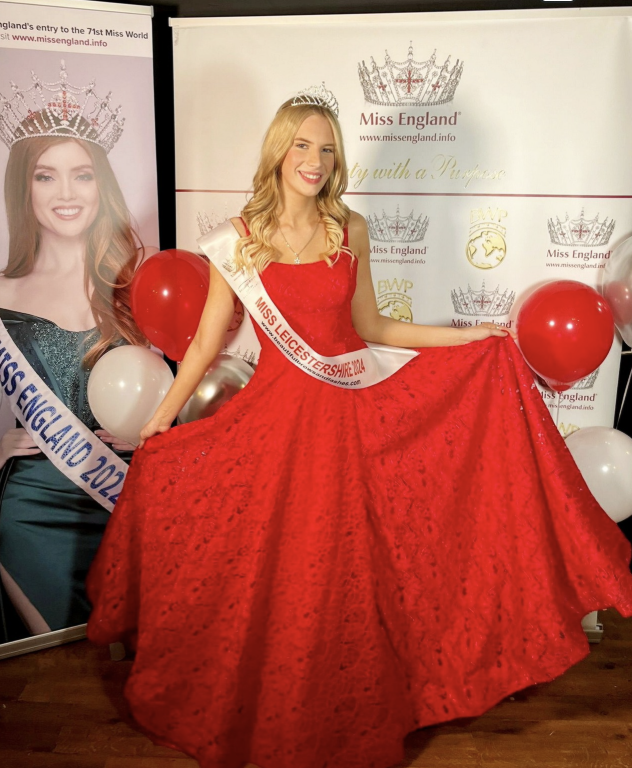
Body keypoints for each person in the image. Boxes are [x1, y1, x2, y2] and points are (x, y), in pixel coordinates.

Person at [87, 86, 632, 768]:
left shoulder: (352, 230)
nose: (314, 160)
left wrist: (467, 339)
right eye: (303, 145)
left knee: (358, 565)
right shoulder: (238, 240)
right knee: (273, 567)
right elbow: (201, 346)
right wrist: (160, 424)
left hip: (351, 418)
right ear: (279, 151)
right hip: (278, 426)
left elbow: (371, 328)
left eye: (327, 149)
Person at [0, 73, 155, 641]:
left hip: (131, 490)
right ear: (25, 187)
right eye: (46, 176)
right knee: (61, 664)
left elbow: (183, 392)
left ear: (101, 185)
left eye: (81, 175)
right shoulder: (0, 295)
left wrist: (154, 431)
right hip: (34, 498)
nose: (66, 193)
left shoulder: (139, 286)